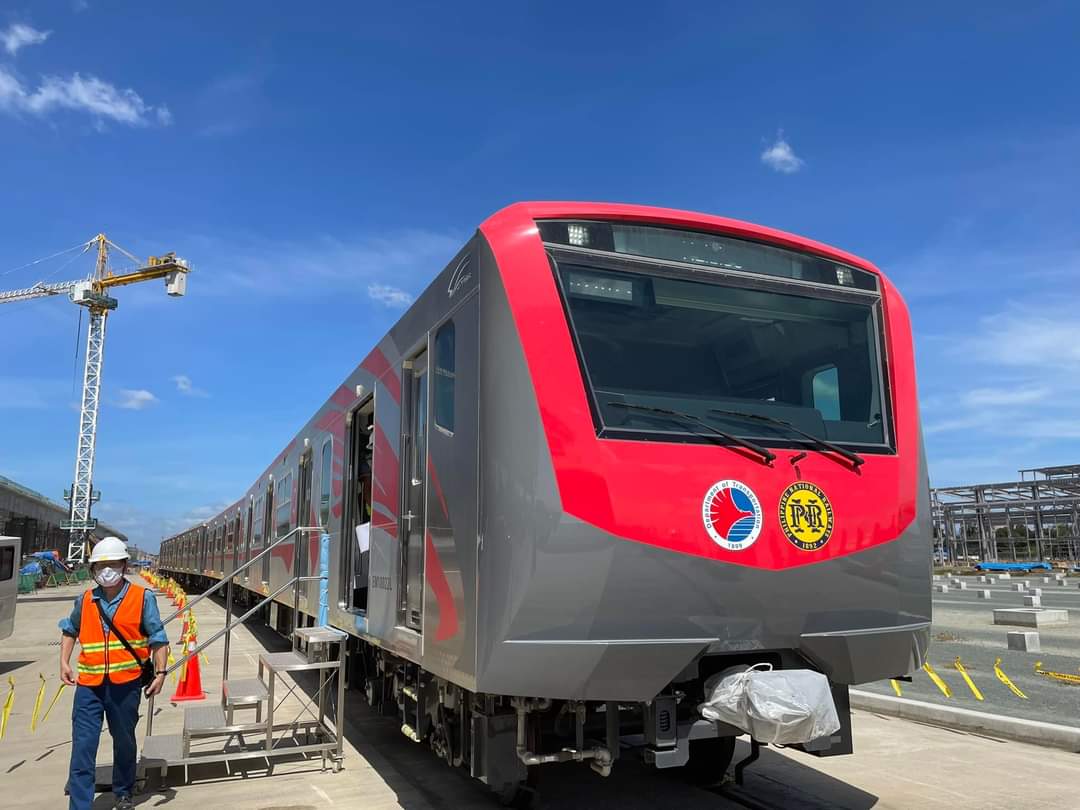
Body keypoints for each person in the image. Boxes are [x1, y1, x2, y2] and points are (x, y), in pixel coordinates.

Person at [59, 536, 170, 810]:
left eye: (113, 564)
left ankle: (123, 792)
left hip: (125, 685)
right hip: (89, 686)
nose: (107, 571)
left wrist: (161, 673)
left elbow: (158, 637)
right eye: (101, 566)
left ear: (124, 565)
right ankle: (80, 805)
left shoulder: (142, 598)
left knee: (124, 741)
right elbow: (70, 630)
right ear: (93, 569)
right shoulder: (85, 600)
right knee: (83, 747)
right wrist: (64, 661)